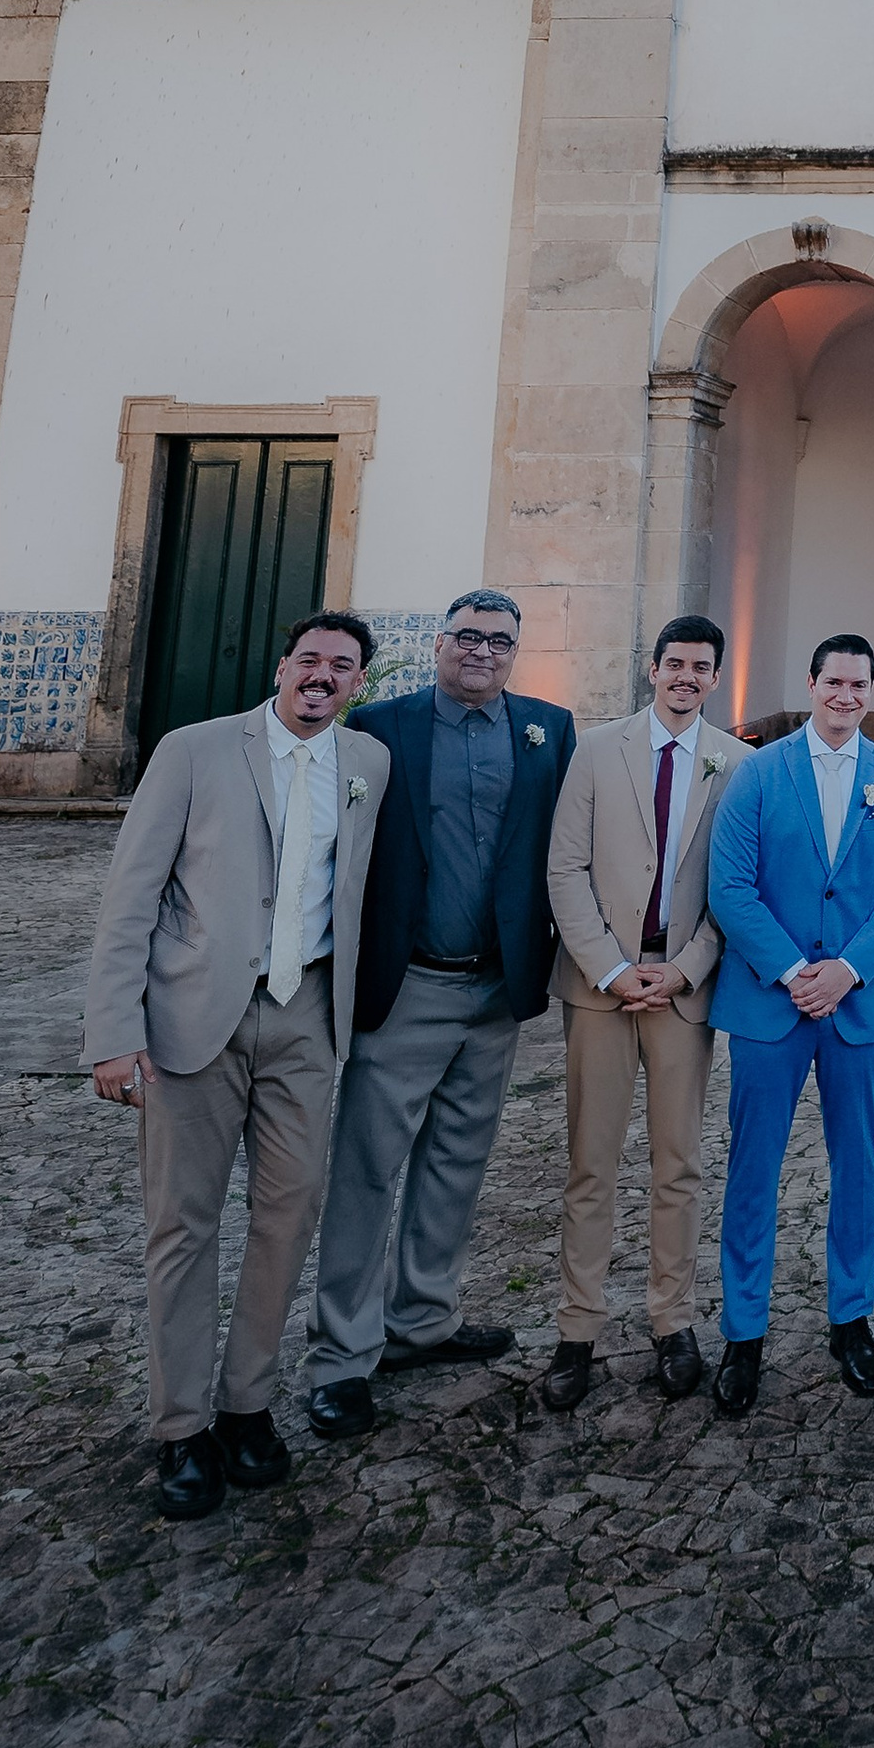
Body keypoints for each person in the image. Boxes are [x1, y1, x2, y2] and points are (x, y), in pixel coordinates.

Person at [84, 612, 391, 1518]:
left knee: (289, 1212)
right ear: (281, 665)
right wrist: (112, 1031)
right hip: (191, 1017)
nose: (322, 676)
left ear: (358, 683)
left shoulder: (368, 765)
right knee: (182, 1224)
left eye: (342, 666)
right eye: (309, 660)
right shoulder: (194, 749)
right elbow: (131, 895)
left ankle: (245, 1403)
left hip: (307, 1016)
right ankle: (180, 1427)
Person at [306, 591, 576, 1439]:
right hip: (408, 984)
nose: (483, 651)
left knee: (459, 1160)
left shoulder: (548, 729)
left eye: (500, 640)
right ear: (439, 643)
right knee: (367, 1168)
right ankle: (341, 1356)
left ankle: (422, 1318)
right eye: (468, 636)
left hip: (495, 989)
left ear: (516, 651)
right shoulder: (382, 727)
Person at [705, 630, 874, 1409]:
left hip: (856, 1004)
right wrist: (798, 971)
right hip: (771, 1003)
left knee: (860, 1164)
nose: (846, 696)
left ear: (872, 690)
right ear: (811, 682)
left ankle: (852, 1314)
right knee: (752, 1168)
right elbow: (730, 886)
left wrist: (850, 969)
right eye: (834, 682)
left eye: (860, 685)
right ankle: (743, 1330)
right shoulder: (759, 773)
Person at [539, 613, 745, 1411]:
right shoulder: (598, 751)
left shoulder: (738, 764)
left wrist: (686, 967)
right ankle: (577, 1328)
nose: (687, 676)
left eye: (701, 666)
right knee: (590, 1165)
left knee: (678, 1166)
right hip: (600, 986)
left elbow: (736, 885)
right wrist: (615, 967)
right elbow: (566, 869)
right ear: (650, 668)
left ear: (716, 677)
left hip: (683, 991)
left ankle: (673, 1319)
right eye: (675, 663)